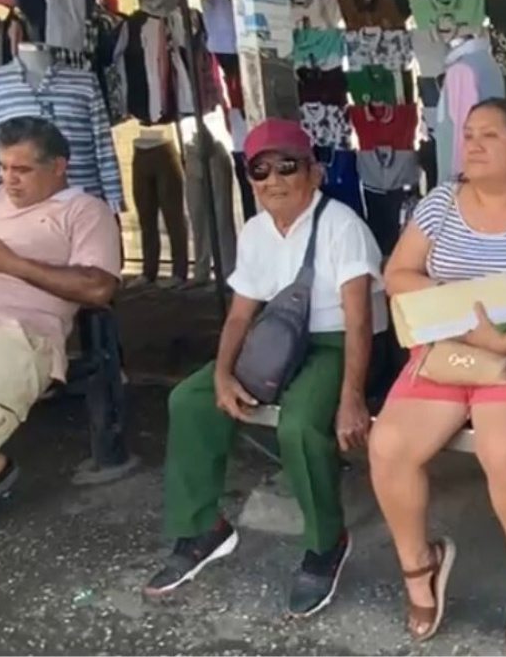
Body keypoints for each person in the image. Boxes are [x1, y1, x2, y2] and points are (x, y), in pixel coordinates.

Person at [368, 99, 506, 656]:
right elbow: (396, 273)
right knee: (388, 445)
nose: (471, 144)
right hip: (445, 347)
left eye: (489, 136)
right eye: (468, 134)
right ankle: (420, 565)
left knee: (503, 447)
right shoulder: (442, 202)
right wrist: (459, 303)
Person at [143, 119, 387, 618]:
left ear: (314, 173)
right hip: (275, 341)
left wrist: (351, 399)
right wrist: (221, 374)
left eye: (287, 167)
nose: (273, 180)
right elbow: (239, 315)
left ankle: (325, 543)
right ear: (248, 178)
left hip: (332, 343)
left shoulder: (342, 226)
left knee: (300, 425)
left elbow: (359, 322)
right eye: (260, 169)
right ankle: (204, 529)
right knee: (188, 400)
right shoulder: (255, 231)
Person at [0, 117, 121, 535]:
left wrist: (10, 264)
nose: (9, 181)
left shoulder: (85, 210)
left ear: (58, 166)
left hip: (8, 339)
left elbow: (99, 288)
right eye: (3, 168)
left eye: (22, 170)